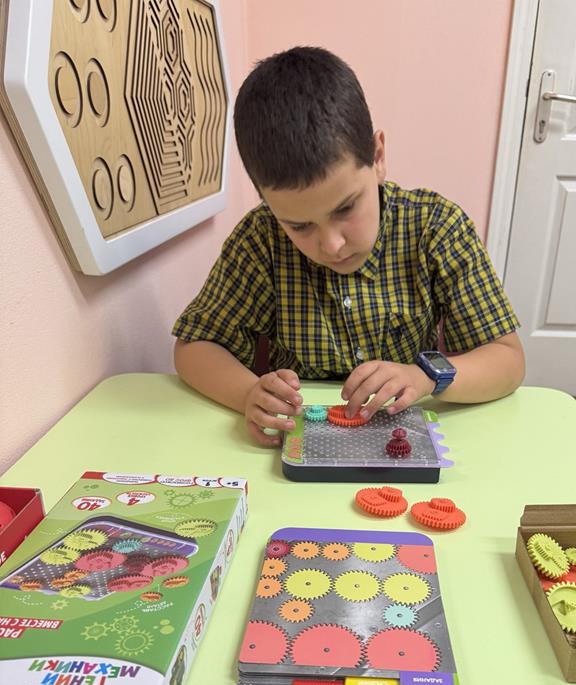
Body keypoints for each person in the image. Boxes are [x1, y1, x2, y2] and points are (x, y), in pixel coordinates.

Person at [173, 46, 525, 447]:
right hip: (299, 439)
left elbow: (508, 359)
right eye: (299, 225)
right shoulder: (260, 239)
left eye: (345, 208)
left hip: (401, 436)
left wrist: (426, 376)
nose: (331, 244)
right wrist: (248, 393)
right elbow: (194, 346)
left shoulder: (436, 227)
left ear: (377, 157)